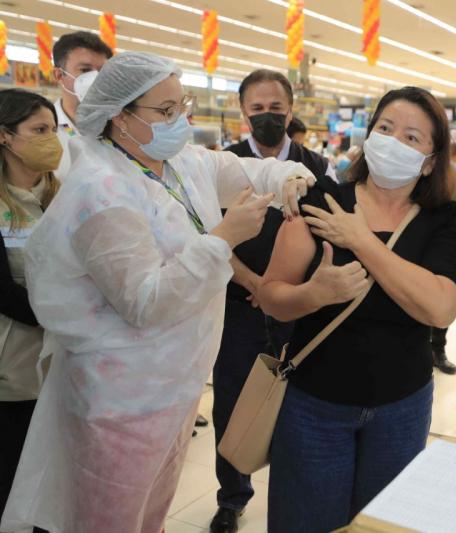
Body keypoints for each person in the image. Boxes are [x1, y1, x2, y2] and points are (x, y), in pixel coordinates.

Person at [0, 52, 315, 533]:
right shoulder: (101, 192)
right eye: (164, 111)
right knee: (111, 518)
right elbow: (147, 302)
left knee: (152, 513)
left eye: (181, 105)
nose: (179, 120)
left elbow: (245, 171)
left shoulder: (180, 162)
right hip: (121, 395)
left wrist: (288, 176)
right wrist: (224, 239)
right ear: (119, 117)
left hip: (177, 380)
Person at [259, 86, 456, 533]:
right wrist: (313, 294)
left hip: (402, 408)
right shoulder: (319, 201)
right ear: (368, 135)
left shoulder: (447, 219)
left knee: (381, 524)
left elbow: (440, 308)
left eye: (412, 138)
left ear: (431, 160)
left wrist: (358, 240)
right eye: (385, 128)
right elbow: (271, 296)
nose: (393, 143)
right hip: (313, 406)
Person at [209, 69, 337, 533]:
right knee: (231, 403)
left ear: (291, 108)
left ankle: (292, 488)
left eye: (275, 108)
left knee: (296, 406)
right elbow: (207, 235)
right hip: (238, 303)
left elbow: (328, 231)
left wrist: (286, 292)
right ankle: (232, 496)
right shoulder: (223, 166)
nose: (267, 117)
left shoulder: (317, 167)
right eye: (257, 109)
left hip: (299, 310)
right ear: (243, 112)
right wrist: (254, 283)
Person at [0, 89, 62, 522]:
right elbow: (3, 292)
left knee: (51, 489)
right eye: (39, 130)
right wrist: (74, 315)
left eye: (54, 130)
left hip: (64, 369)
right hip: (11, 371)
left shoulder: (62, 197)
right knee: (10, 482)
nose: (52, 140)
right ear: (6, 137)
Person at [428, 141, 456, 375]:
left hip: (449, 249)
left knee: (445, 304)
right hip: (425, 250)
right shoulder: (426, 175)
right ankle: (431, 349)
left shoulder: (451, 176)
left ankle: (438, 349)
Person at [52, 31, 113, 180]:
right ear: (59, 75)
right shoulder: (43, 130)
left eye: (102, 71)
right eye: (85, 70)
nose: (96, 79)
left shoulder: (120, 125)